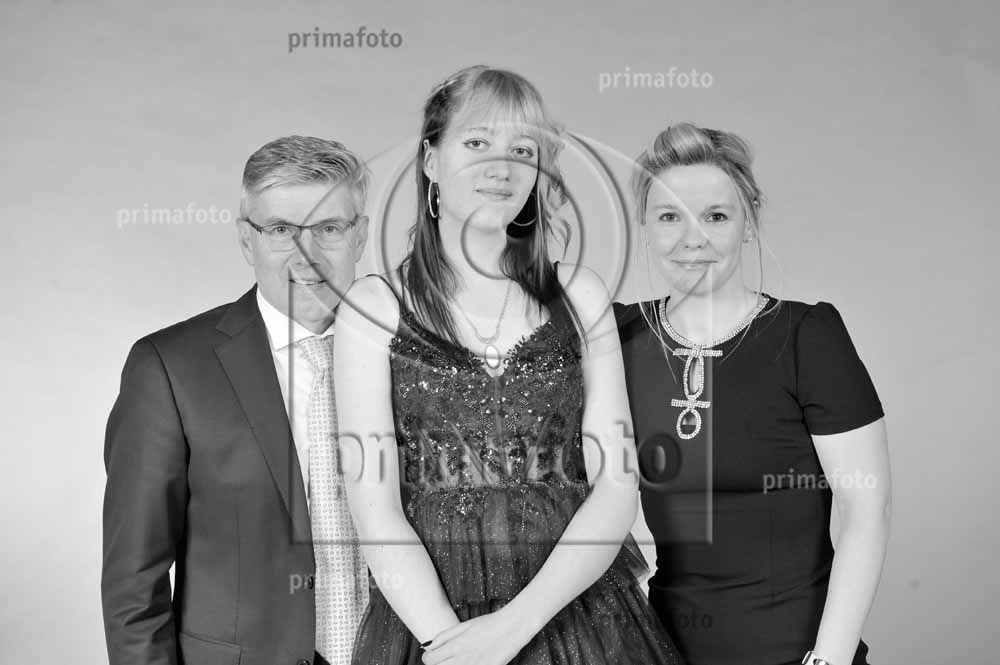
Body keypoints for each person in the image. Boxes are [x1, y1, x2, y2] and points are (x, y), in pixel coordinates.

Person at [332, 65, 684, 665]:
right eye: (477, 142)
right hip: (430, 624)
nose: (502, 168)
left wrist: (512, 629)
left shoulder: (581, 296)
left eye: (523, 150)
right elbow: (375, 511)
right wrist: (452, 648)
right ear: (431, 160)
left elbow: (616, 487)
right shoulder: (374, 306)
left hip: (577, 614)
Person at [614, 123, 891, 665]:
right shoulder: (618, 338)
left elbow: (867, 510)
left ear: (748, 222)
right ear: (644, 226)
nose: (692, 238)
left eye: (716, 216)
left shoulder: (806, 337)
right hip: (658, 651)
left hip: (798, 652)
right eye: (669, 216)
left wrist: (828, 658)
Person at [102, 136, 372, 665]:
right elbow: (134, 582)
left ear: (359, 235)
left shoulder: (411, 358)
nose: (307, 254)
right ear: (247, 240)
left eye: (329, 228)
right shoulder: (170, 368)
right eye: (281, 230)